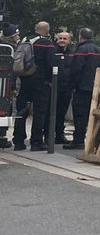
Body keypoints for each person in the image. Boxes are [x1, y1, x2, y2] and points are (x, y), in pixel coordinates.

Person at [67, 27, 100, 150]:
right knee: (94, 114)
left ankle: (78, 140)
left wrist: (72, 85)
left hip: (82, 88)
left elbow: (76, 69)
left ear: (80, 36)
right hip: (96, 87)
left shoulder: (81, 49)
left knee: (80, 115)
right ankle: (93, 140)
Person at [19, 21, 56, 151]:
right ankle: (36, 141)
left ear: (35, 29)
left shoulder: (25, 40)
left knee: (21, 110)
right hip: (41, 82)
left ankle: (18, 141)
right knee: (39, 112)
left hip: (24, 80)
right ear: (47, 30)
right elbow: (52, 64)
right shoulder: (47, 44)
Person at [0, 23, 20, 149]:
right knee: (5, 109)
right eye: (17, 34)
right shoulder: (9, 49)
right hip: (6, 87)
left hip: (6, 86)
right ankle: (1, 136)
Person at [53, 30, 75, 145]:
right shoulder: (53, 51)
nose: (62, 40)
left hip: (67, 88)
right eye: (60, 38)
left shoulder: (72, 53)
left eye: (64, 39)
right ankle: (49, 135)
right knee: (52, 112)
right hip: (54, 87)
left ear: (69, 41)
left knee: (62, 112)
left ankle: (59, 135)